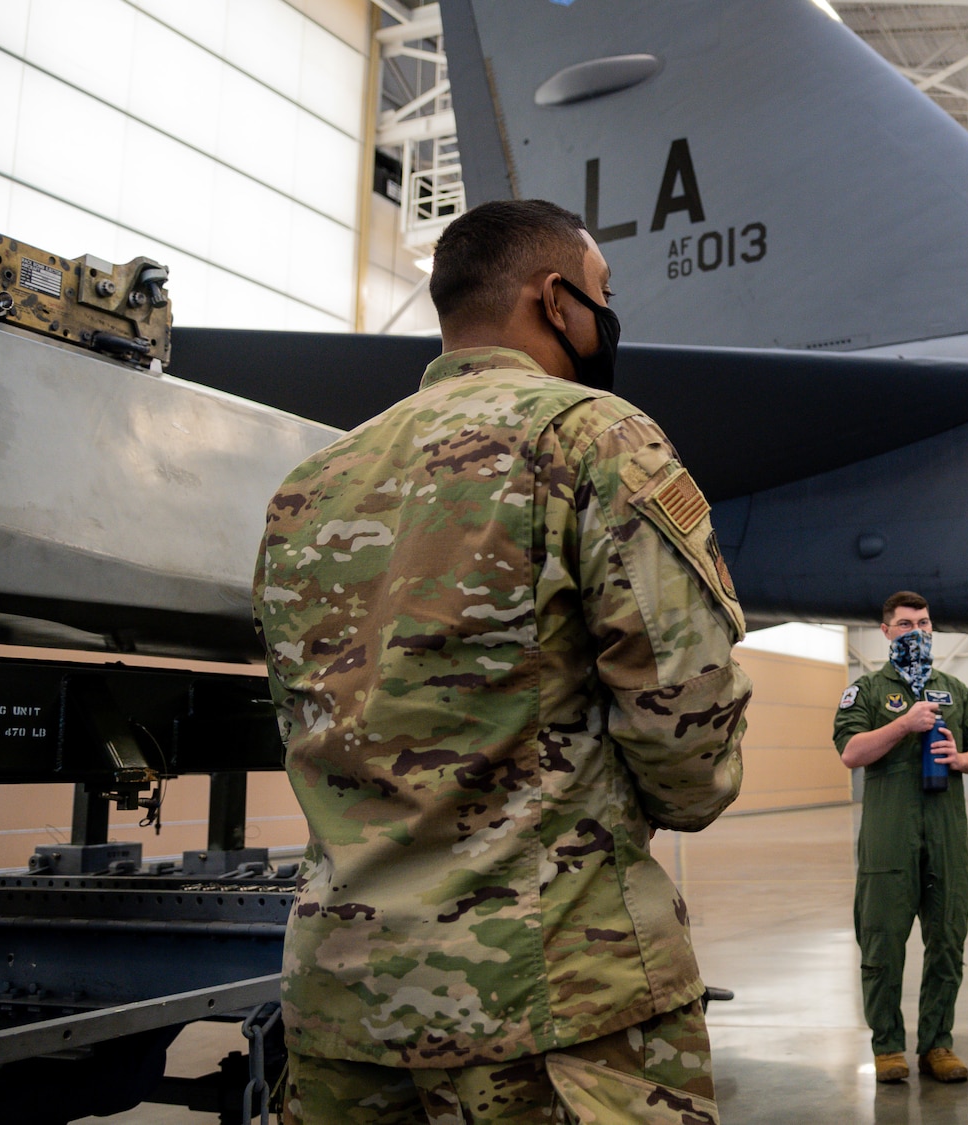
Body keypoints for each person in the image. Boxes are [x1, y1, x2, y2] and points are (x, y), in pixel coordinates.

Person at [254, 199, 750, 1124]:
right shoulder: (594, 438)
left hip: (342, 1013)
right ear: (557, 301)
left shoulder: (309, 486)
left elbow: (303, 721)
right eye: (602, 294)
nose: (607, 317)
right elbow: (687, 737)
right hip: (551, 1003)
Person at [833, 592, 968, 1084]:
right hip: (889, 838)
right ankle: (887, 1047)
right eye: (905, 624)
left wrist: (962, 760)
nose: (916, 632)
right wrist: (904, 724)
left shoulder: (955, 689)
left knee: (947, 942)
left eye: (923, 624)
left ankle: (937, 1045)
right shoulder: (865, 691)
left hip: (946, 836)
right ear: (885, 631)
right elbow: (851, 752)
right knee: (882, 944)